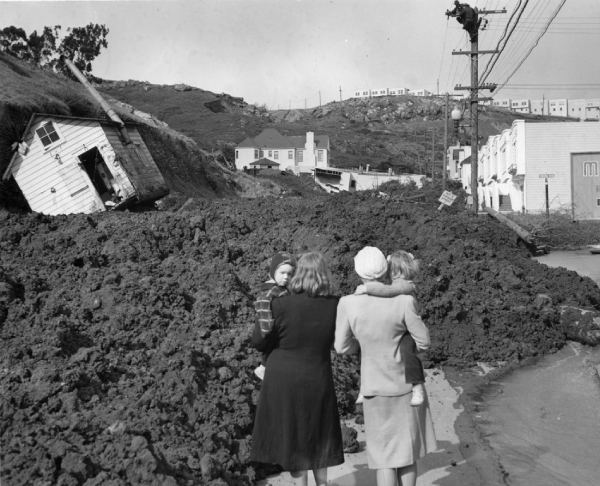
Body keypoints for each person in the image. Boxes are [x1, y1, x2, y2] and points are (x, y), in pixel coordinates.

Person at [335, 246, 437, 486]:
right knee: (407, 455)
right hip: (405, 385)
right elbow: (424, 342)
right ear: (384, 269)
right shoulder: (403, 300)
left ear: (358, 270)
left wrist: (365, 346)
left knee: (384, 459)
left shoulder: (348, 303)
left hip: (373, 387)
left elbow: (341, 347)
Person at [250, 252, 344, 486]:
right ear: (324, 274)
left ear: (298, 273)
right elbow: (337, 343)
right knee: (318, 435)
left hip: (283, 380)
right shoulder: (336, 304)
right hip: (318, 376)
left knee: (293, 438)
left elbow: (260, 342)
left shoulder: (280, 303)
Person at [355, 250, 426, 407]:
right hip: (398, 325)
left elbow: (388, 291)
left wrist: (367, 289)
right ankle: (364, 387)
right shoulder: (400, 285)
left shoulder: (403, 285)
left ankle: (417, 386)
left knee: (407, 352)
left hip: (406, 330)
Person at [253, 251, 296, 380]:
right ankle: (264, 367)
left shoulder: (281, 290)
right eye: (282, 273)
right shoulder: (268, 293)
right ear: (273, 272)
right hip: (264, 333)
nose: (286, 277)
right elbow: (264, 312)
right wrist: (269, 331)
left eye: (289, 274)